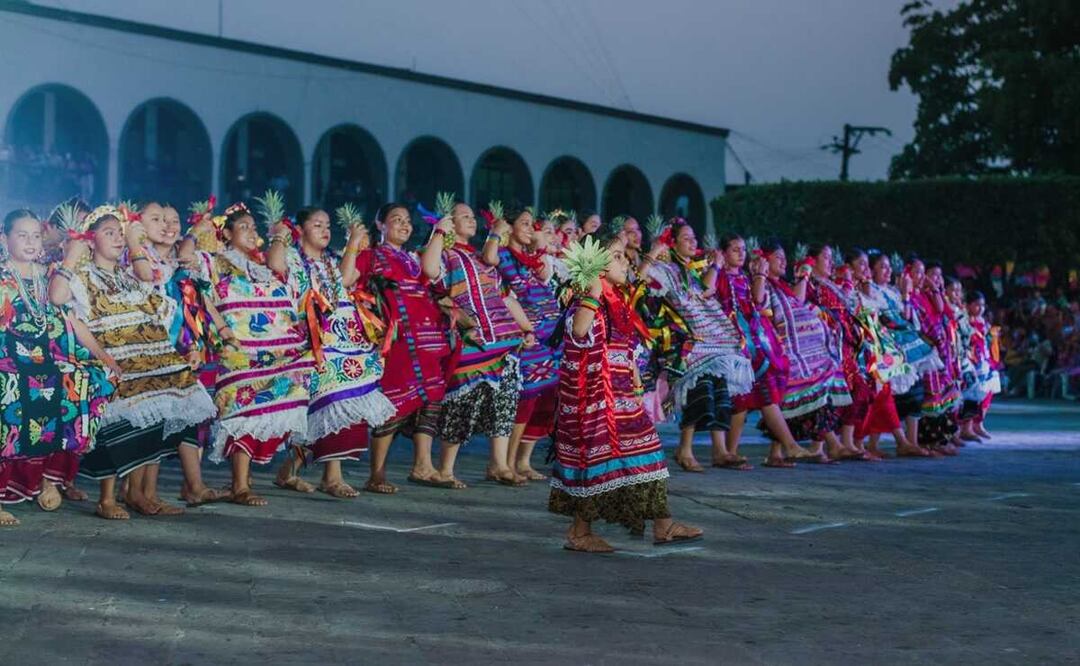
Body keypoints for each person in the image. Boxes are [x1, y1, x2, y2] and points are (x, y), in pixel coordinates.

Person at [49, 205, 216, 519]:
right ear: (91, 240)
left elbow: (154, 299)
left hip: (147, 354)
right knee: (124, 400)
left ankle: (142, 493)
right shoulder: (82, 277)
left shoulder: (126, 277)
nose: (117, 239)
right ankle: (108, 498)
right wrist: (72, 255)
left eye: (119, 233)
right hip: (113, 356)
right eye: (108, 233)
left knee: (168, 395)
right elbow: (58, 300)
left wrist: (186, 349)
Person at [549, 233, 702, 553]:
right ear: (596, 265)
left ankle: (664, 525)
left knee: (647, 455)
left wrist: (633, 380)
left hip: (620, 396)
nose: (625, 260)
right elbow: (579, 332)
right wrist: (590, 289)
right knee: (596, 462)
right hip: (596, 400)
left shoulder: (616, 298)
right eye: (617, 255)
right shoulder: (589, 297)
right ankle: (579, 532)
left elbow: (621, 346)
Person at [189, 203, 313, 506]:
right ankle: (240, 485)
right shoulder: (214, 261)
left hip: (278, 349)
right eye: (242, 226)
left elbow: (281, 269)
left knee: (289, 396)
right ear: (226, 233)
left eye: (253, 227)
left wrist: (279, 237)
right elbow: (188, 269)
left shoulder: (263, 266)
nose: (250, 231)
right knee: (242, 409)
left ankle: (265, 473)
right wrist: (199, 230)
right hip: (238, 349)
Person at [269, 207, 395, 496]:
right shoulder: (290, 256)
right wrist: (279, 237)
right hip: (305, 340)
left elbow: (346, 282)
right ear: (299, 230)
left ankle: (324, 474)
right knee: (326, 401)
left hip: (342, 344)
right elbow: (275, 266)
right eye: (317, 225)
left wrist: (353, 246)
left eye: (327, 225)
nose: (325, 230)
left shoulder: (332, 260)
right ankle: (311, 472)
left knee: (345, 400)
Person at [0, 209, 112, 526]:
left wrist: (103, 356)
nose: (31, 241)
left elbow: (72, 320)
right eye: (22, 235)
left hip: (46, 357)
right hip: (7, 357)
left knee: (81, 382)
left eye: (36, 235)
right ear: (4, 239)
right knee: (8, 395)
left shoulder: (51, 275)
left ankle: (47, 478)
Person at [421, 202, 532, 487]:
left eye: (473, 216)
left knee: (504, 399)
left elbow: (505, 296)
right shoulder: (446, 254)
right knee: (462, 399)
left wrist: (525, 328)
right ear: (450, 223)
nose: (472, 220)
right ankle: (446, 469)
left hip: (504, 337)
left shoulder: (483, 258)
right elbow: (429, 270)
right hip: (472, 337)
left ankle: (499, 464)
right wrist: (438, 233)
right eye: (464, 217)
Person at [351, 203, 453, 491]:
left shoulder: (412, 258)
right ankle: (377, 474)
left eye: (408, 221)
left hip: (428, 339)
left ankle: (423, 465)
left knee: (431, 399)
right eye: (396, 220)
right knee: (394, 402)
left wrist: (438, 234)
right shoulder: (371, 256)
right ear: (380, 224)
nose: (404, 225)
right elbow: (348, 285)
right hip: (396, 343)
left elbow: (431, 274)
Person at [640, 221, 754, 471]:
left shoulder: (690, 271)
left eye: (694, 238)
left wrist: (715, 264)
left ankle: (719, 450)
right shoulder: (666, 269)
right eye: (687, 238)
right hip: (681, 340)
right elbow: (641, 278)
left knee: (719, 386)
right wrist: (654, 251)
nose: (694, 242)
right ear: (674, 243)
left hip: (705, 338)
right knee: (699, 386)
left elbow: (706, 291)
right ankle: (686, 448)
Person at [714, 233, 811, 467]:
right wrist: (759, 275)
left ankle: (731, 452)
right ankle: (789, 446)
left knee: (746, 396)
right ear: (723, 253)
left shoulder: (746, 277)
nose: (741, 253)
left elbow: (756, 303)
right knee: (756, 392)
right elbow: (756, 300)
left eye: (743, 249)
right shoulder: (721, 277)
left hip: (757, 341)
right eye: (735, 249)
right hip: (737, 341)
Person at [483, 206, 563, 480]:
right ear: (510, 226)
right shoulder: (503, 255)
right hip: (530, 338)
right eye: (525, 224)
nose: (532, 229)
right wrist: (498, 231)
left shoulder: (529, 259)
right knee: (526, 399)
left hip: (551, 339)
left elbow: (544, 269)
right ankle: (505, 463)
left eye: (533, 224)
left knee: (545, 400)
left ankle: (524, 461)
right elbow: (490, 257)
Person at [759, 239, 857, 461]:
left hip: (808, 348)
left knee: (822, 381)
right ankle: (821, 445)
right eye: (778, 258)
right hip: (785, 348)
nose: (784, 261)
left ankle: (802, 448)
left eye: (785, 258)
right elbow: (766, 304)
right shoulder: (766, 283)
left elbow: (798, 301)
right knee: (794, 390)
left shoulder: (783, 284)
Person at [861, 251, 940, 456]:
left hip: (902, 346)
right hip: (885, 347)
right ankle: (882, 443)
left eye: (889, 267)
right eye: (883, 267)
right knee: (884, 394)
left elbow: (907, 317)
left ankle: (906, 441)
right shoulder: (872, 291)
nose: (888, 271)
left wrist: (905, 296)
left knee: (910, 392)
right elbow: (884, 319)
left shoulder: (891, 292)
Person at [907, 257, 962, 454]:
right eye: (931, 275)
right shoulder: (914, 296)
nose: (935, 279)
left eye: (939, 276)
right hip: (927, 351)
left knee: (942, 394)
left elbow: (943, 311)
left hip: (941, 350)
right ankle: (928, 441)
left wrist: (936, 289)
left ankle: (940, 439)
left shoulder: (929, 295)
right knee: (931, 396)